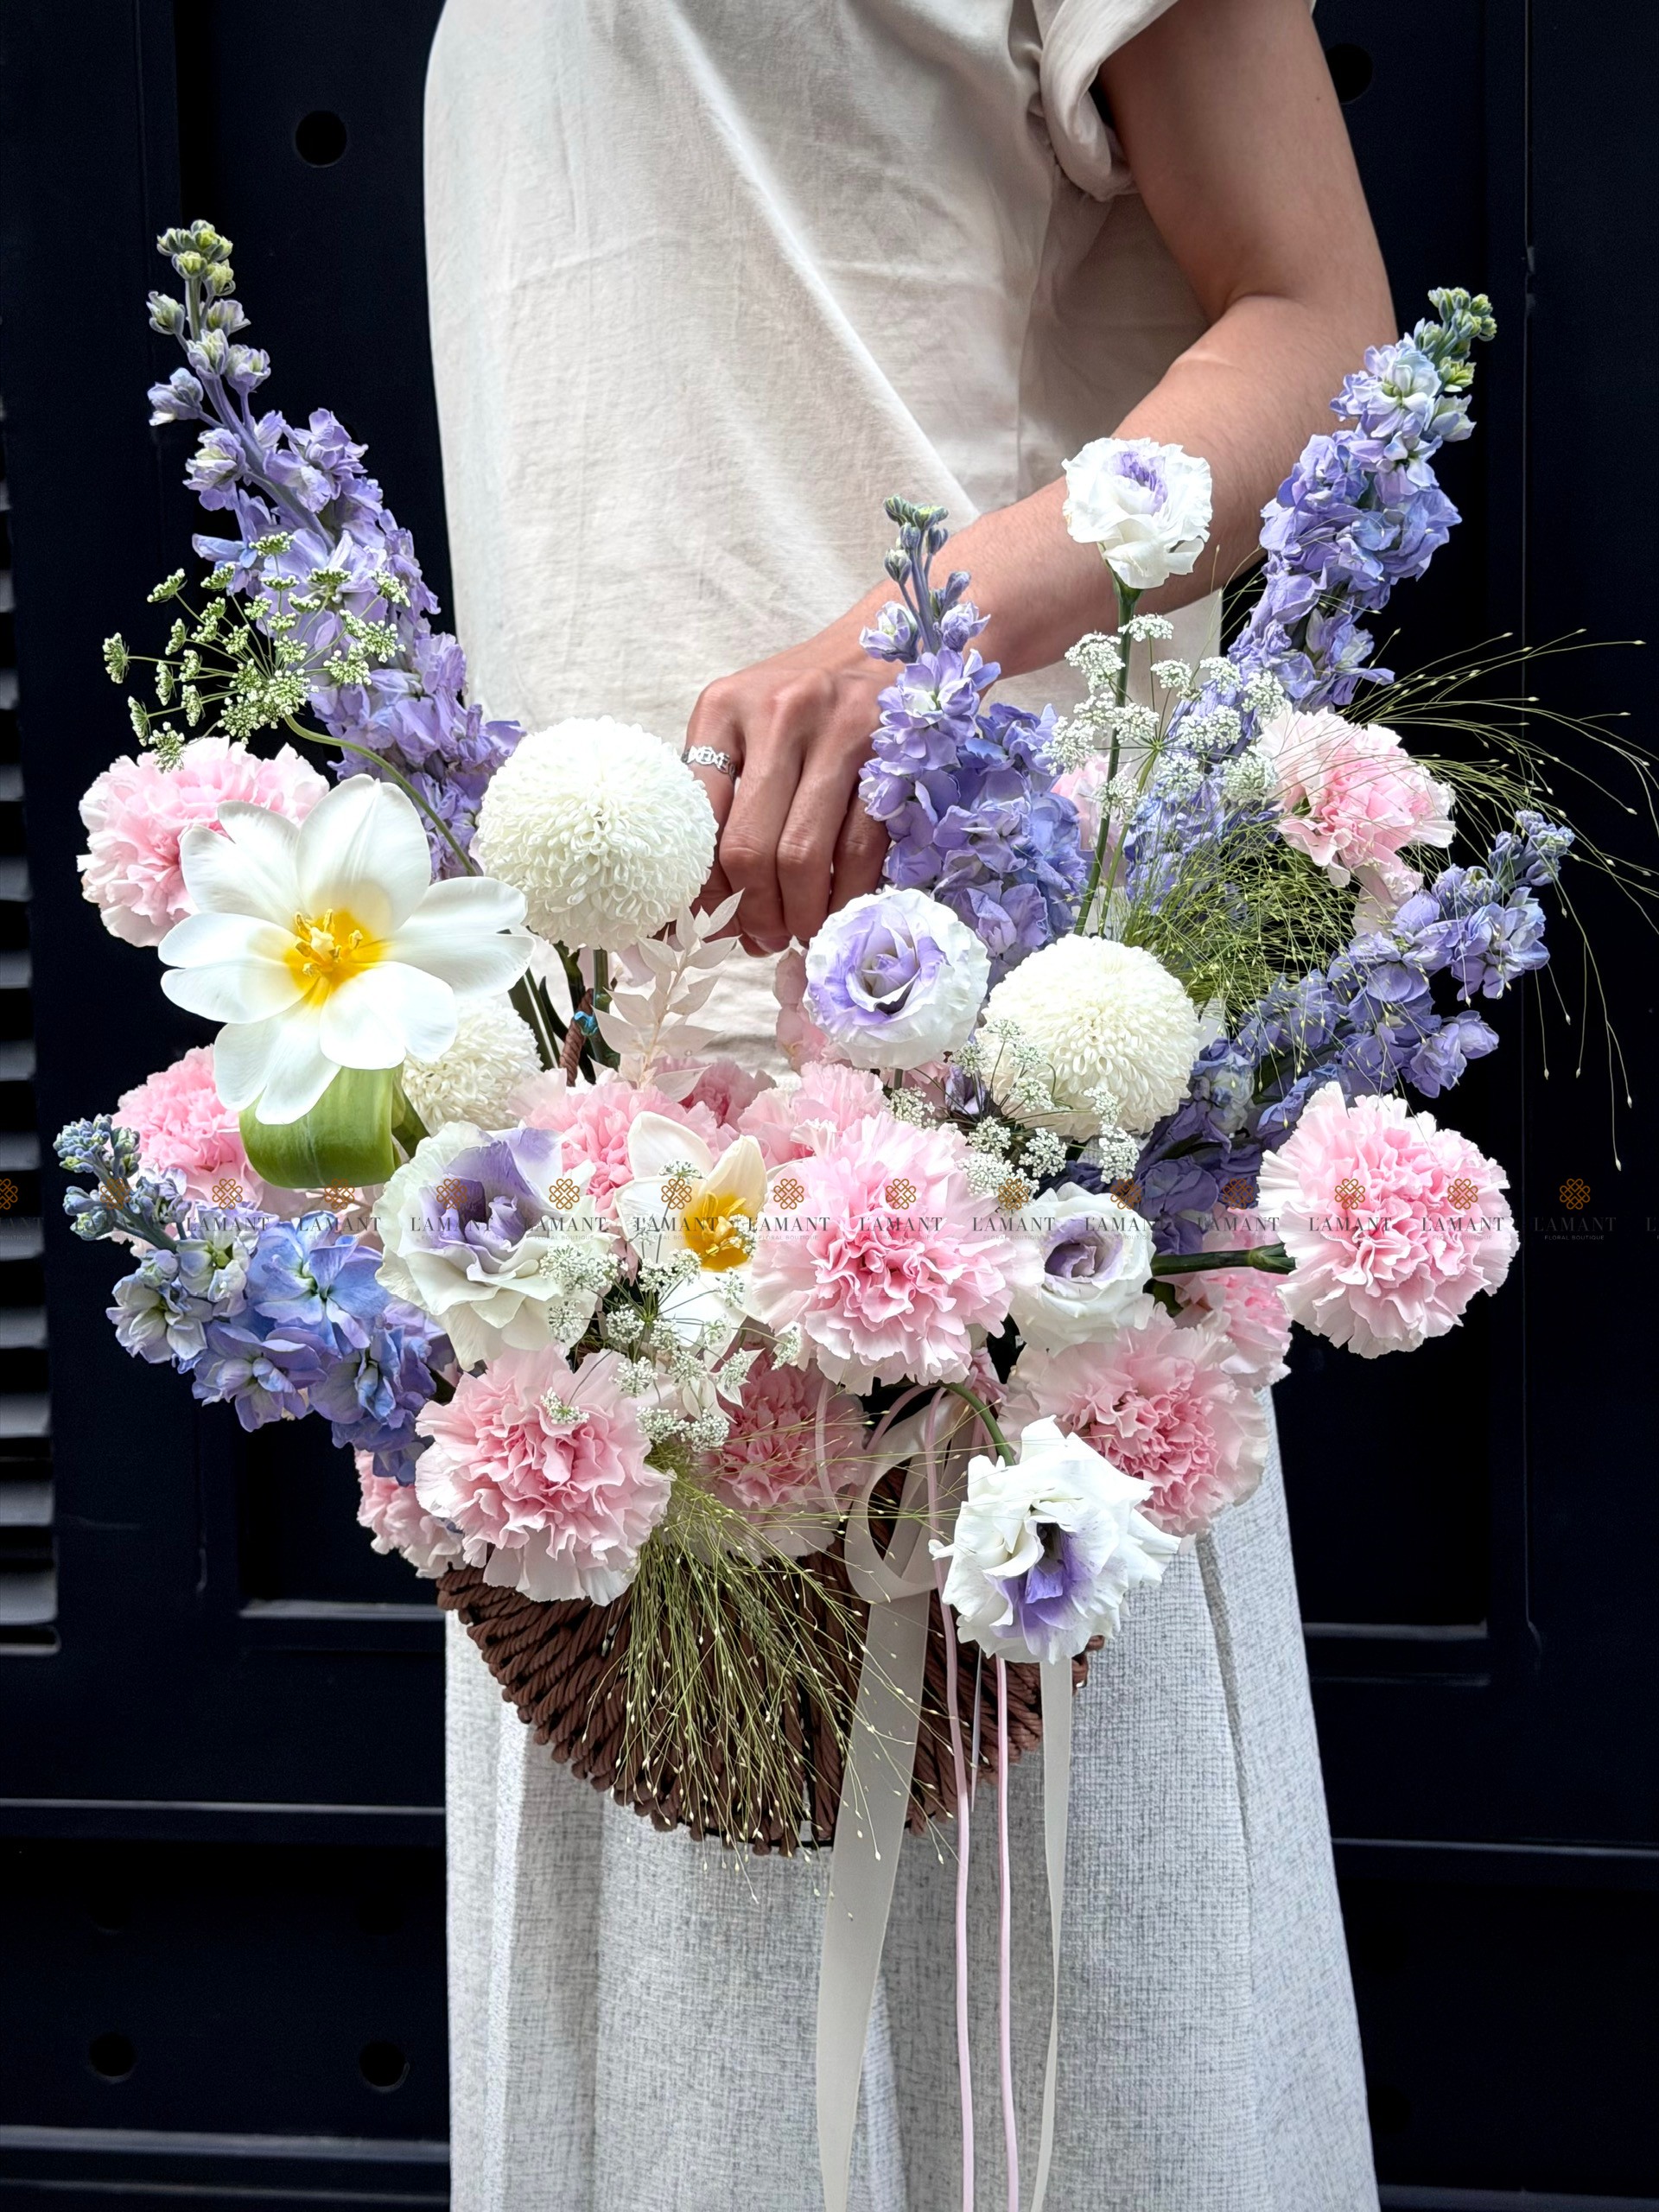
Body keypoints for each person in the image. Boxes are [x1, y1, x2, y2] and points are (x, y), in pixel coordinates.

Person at [424, 1, 1389, 2204]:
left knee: (1066, 2052)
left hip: (980, 1125)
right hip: (590, 1186)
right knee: (659, 2069)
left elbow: (1318, 310)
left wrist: (920, 635)